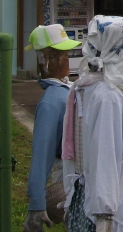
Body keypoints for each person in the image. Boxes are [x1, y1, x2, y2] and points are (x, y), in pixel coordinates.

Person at [62, 15, 123, 232]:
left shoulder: (84, 86)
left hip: (84, 202)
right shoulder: (108, 97)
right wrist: (104, 216)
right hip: (107, 215)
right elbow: (106, 157)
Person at [23, 24, 82, 232]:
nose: (66, 60)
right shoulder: (60, 96)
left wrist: (37, 203)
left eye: (66, 55)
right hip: (74, 173)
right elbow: (43, 152)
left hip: (71, 173)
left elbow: (43, 153)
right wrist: (37, 202)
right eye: (62, 55)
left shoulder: (56, 96)